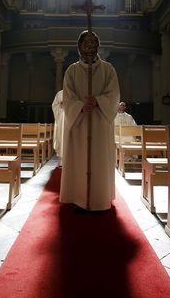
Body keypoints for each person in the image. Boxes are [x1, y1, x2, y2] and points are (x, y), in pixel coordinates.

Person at [60, 30, 120, 211]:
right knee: (79, 160)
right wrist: (79, 105)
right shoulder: (72, 70)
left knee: (99, 160)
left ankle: (99, 199)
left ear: (98, 46)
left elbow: (114, 94)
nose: (89, 46)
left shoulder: (108, 69)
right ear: (79, 46)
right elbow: (68, 96)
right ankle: (78, 197)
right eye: (86, 43)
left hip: (100, 123)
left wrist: (97, 101)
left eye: (93, 42)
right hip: (79, 123)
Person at [51, 89, 64, 166]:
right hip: (62, 118)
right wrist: (60, 106)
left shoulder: (78, 92)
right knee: (62, 139)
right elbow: (54, 105)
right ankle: (62, 161)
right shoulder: (60, 93)